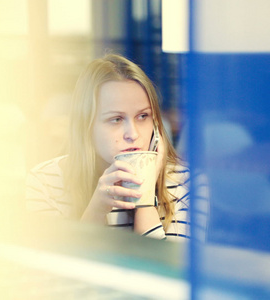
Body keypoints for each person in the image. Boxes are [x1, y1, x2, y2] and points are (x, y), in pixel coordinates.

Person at [25, 53, 191, 241]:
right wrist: (96, 210)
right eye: (116, 119)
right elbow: (57, 270)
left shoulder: (185, 182)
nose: (133, 134)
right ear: (86, 126)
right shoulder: (45, 182)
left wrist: (144, 200)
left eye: (143, 116)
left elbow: (165, 271)